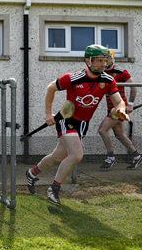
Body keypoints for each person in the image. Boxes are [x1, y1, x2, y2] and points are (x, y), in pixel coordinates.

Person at [25, 44, 128, 206]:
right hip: (67, 119)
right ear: (88, 61)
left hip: (82, 125)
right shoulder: (73, 78)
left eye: (104, 60)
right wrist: (48, 114)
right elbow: (51, 88)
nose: (102, 64)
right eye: (99, 60)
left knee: (57, 157)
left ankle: (32, 173)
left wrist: (121, 109)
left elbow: (119, 101)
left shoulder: (108, 80)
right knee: (77, 154)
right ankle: (54, 188)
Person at [98, 52, 142, 170]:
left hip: (119, 108)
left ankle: (111, 157)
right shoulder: (101, 73)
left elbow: (134, 87)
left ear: (112, 60)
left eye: (107, 59)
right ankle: (137, 156)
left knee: (102, 130)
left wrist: (130, 104)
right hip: (111, 108)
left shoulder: (121, 72)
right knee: (119, 135)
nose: (105, 62)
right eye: (103, 59)